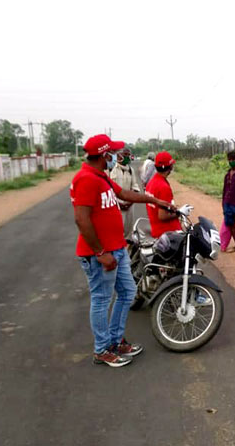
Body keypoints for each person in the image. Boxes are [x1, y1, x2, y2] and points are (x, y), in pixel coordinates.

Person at [71, 134, 173, 368]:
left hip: (117, 249)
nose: (117, 156)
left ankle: (116, 340)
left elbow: (125, 194)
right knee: (101, 299)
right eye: (113, 153)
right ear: (105, 155)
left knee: (127, 293)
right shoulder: (86, 179)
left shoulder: (101, 177)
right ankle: (102, 349)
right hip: (100, 254)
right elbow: (81, 219)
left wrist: (156, 201)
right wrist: (100, 252)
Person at [145, 151, 182, 238]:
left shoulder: (151, 182)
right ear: (170, 167)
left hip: (156, 229)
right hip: (167, 233)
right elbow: (162, 216)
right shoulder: (163, 187)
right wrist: (180, 213)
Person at [108, 147, 141, 239]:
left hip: (129, 205)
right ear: (118, 156)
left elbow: (135, 187)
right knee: (116, 232)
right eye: (125, 155)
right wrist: (119, 203)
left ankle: (127, 252)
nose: (127, 157)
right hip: (115, 205)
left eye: (128, 155)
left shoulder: (131, 170)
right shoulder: (111, 170)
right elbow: (107, 189)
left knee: (128, 231)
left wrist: (130, 202)